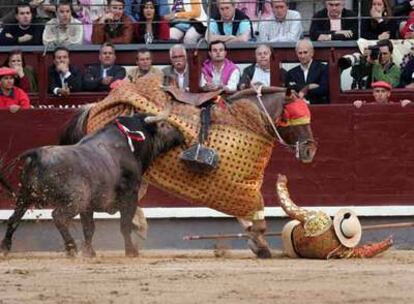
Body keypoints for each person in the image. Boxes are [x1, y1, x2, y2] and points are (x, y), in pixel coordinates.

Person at [285, 39, 329, 104]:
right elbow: (288, 92)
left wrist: (304, 89)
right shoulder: (291, 73)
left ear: (312, 53)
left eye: (305, 52)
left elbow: (323, 90)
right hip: (298, 109)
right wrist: (309, 86)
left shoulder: (323, 69)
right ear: (296, 54)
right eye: (300, 53)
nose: (302, 56)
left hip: (318, 107)